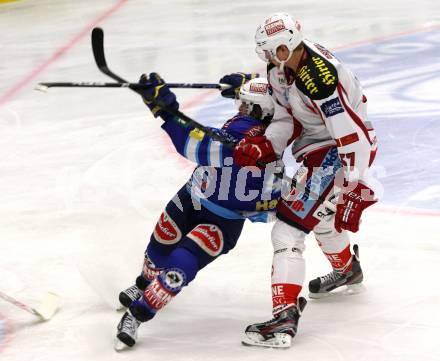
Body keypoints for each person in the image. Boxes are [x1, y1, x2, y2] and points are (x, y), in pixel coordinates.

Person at [219, 12, 378, 347]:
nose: (267, 58)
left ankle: (283, 319)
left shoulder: (318, 77)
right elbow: (285, 117)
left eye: (272, 51)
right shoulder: (280, 69)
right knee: (318, 219)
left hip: (339, 152)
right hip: (321, 150)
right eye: (264, 52)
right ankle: (347, 270)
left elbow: (352, 136)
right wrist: (266, 146)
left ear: (287, 44)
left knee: (288, 228)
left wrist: (354, 185)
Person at [114, 73, 285, 350]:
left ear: (256, 112)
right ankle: (145, 283)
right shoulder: (264, 120)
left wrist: (163, 107)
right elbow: (271, 90)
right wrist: (244, 80)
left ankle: (137, 314)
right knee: (158, 249)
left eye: (243, 105)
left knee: (178, 269)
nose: (238, 110)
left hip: (222, 221)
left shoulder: (241, 139)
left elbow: (192, 143)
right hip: (191, 199)